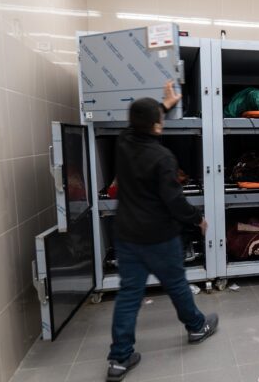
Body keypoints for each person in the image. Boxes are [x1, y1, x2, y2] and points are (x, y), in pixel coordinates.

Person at [106, 81, 218, 382]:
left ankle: (119, 358)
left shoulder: (123, 141)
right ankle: (197, 327)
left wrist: (165, 105)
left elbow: (141, 125)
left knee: (129, 294)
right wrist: (197, 219)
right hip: (158, 237)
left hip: (127, 235)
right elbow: (174, 201)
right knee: (177, 284)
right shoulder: (163, 158)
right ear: (157, 126)